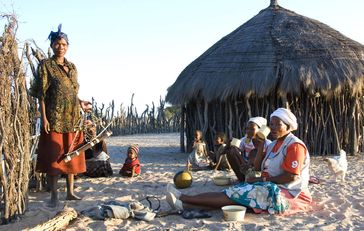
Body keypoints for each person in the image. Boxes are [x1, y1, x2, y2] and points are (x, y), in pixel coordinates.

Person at [166, 108, 312, 215]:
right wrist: (261, 146)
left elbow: (291, 177)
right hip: (270, 184)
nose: (273, 128)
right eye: (272, 124)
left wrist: (263, 178)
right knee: (233, 193)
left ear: (288, 126)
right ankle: (183, 204)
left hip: (287, 190)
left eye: (278, 124)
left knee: (237, 196)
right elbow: (256, 166)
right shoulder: (273, 144)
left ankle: (183, 198)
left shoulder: (294, 146)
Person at [30, 24, 92, 207]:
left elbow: (72, 91)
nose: (61, 47)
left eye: (64, 44)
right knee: (54, 157)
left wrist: (80, 102)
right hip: (54, 118)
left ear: (68, 46)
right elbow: (41, 93)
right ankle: (54, 196)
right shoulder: (46, 66)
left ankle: (71, 192)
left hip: (72, 117)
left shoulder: (72, 67)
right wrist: (45, 117)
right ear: (52, 46)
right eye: (57, 44)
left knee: (71, 153)